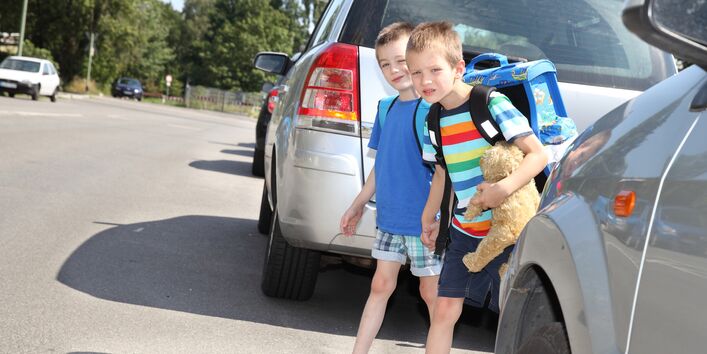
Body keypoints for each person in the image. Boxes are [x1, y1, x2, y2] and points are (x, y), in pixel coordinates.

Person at [405, 22, 548, 353]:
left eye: (434, 70)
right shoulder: (432, 120)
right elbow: (441, 174)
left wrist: (503, 189)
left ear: (458, 68)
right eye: (416, 73)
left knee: (511, 315)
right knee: (444, 309)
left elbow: (537, 154)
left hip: (507, 230)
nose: (424, 81)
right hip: (465, 230)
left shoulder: (489, 104)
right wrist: (431, 218)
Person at [340, 22, 442, 354]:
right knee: (380, 285)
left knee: (432, 295)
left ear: (415, 59)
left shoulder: (431, 110)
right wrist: (357, 204)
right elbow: (379, 167)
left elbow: (444, 170)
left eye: (400, 61)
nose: (393, 70)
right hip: (389, 218)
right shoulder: (385, 108)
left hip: (424, 222)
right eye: (384, 64)